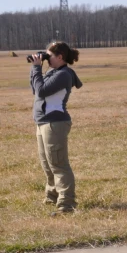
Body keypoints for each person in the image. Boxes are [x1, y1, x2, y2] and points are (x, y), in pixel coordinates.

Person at [30, 41, 83, 214]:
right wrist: (35, 68)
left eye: (49, 56)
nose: (46, 59)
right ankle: (52, 196)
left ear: (60, 57)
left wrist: (37, 68)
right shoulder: (53, 72)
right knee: (47, 164)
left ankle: (66, 204)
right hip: (43, 122)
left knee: (58, 164)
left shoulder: (64, 74)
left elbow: (42, 91)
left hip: (55, 123)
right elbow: (35, 88)